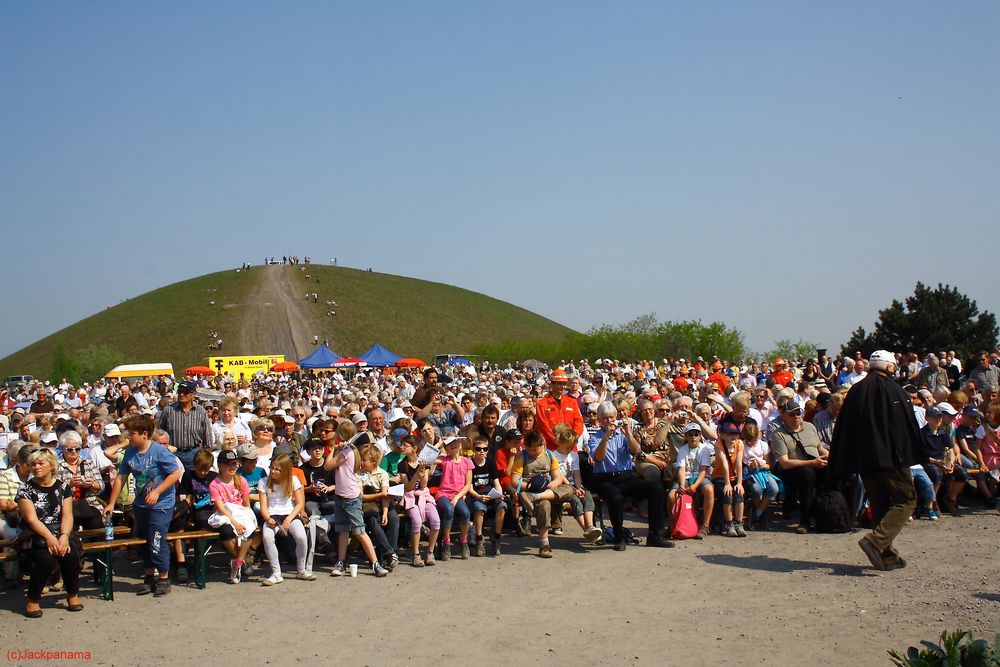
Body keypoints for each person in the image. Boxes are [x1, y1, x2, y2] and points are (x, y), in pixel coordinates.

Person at [829, 350, 926, 571]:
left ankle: (886, 555)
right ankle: (876, 540)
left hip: (865, 458)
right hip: (891, 458)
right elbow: (902, 428)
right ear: (890, 367)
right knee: (906, 499)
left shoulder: (855, 390)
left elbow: (845, 428)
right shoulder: (893, 390)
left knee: (880, 503)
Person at [103, 414, 181, 596]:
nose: (130, 437)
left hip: (161, 504)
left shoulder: (160, 452)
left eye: (133, 434)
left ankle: (163, 577)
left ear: (144, 434)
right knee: (145, 540)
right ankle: (148, 576)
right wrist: (111, 502)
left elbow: (174, 474)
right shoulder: (130, 453)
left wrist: (157, 491)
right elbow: (121, 477)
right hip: (141, 504)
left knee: (156, 539)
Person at [585, 401, 674, 550]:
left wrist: (627, 433)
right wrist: (606, 436)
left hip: (626, 475)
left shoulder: (623, 433)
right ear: (600, 420)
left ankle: (656, 535)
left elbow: (635, 451)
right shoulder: (595, 438)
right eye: (605, 418)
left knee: (656, 489)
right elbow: (599, 458)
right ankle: (619, 537)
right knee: (615, 498)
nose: (609, 421)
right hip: (605, 477)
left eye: (612, 417)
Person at [16, 448, 83, 617]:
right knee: (45, 560)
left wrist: (64, 536)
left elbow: (67, 516)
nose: (36, 467)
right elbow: (32, 520)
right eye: (33, 464)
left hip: (60, 530)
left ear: (51, 465)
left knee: (70, 556)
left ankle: (73, 594)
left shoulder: (63, 487)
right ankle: (33, 600)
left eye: (40, 463)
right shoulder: (25, 489)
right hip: (34, 533)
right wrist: (49, 538)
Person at [324, 421, 389, 577]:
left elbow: (327, 466)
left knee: (359, 531)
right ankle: (341, 562)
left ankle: (375, 564)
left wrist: (332, 449)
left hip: (351, 498)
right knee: (343, 530)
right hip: (341, 496)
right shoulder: (350, 449)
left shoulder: (346, 452)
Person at [509, 430, 572, 558]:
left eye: (534, 450)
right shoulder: (522, 456)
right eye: (529, 449)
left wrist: (554, 483)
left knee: (570, 490)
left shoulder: (549, 455)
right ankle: (544, 545)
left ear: (542, 445)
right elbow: (515, 481)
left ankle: (537, 497)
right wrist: (528, 486)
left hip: (548, 489)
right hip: (530, 488)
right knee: (544, 505)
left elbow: (558, 477)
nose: (531, 452)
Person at [769, 399, 827, 534]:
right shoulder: (778, 434)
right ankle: (805, 520)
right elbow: (784, 462)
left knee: (838, 471)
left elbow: (819, 448)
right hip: (793, 469)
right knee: (807, 474)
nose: (796, 417)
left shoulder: (810, 426)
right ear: (784, 416)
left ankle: (834, 514)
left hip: (815, 462)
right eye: (792, 414)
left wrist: (831, 458)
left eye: (798, 413)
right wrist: (812, 463)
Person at [259, 453, 315, 585]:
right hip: (272, 514)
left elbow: (300, 503)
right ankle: (276, 573)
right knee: (267, 537)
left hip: (289, 513)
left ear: (284, 471)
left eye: (277, 469)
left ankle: (301, 570)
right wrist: (268, 519)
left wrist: (288, 520)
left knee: (301, 537)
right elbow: (263, 507)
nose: (273, 471)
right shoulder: (263, 482)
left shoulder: (294, 480)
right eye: (272, 467)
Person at [210, 450, 258, 584]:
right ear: (220, 466)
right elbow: (220, 507)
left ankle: (237, 563)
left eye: (234, 464)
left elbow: (246, 502)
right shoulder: (215, 484)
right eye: (228, 464)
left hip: (240, 511)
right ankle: (241, 560)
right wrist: (235, 522)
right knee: (226, 531)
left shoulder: (241, 480)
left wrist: (247, 516)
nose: (232, 467)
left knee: (250, 528)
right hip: (225, 513)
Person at [551, 424, 602, 543]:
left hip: (574, 484)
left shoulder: (573, 456)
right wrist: (573, 489)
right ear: (561, 443)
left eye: (571, 447)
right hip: (562, 485)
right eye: (568, 447)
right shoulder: (553, 456)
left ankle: (590, 526)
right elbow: (559, 475)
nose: (570, 450)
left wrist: (579, 487)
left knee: (587, 496)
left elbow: (576, 473)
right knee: (575, 500)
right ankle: (587, 530)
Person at [399, 434, 441, 567]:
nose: (402, 447)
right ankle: (416, 554)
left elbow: (423, 485)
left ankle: (430, 552)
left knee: (436, 521)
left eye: (405, 445)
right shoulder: (403, 465)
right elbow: (408, 487)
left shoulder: (424, 461)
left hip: (423, 495)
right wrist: (417, 473)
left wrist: (423, 472)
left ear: (414, 448)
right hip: (410, 497)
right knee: (416, 521)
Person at [670, 422, 715, 539]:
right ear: (686, 436)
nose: (693, 437)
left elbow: (703, 470)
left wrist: (695, 486)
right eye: (690, 434)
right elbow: (681, 469)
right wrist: (681, 484)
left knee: (709, 490)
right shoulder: (683, 449)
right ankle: (673, 525)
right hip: (686, 477)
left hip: (700, 477)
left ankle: (705, 526)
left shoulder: (704, 449)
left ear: (700, 436)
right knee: (671, 495)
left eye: (696, 434)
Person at [433, 436, 474, 560]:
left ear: (460, 444)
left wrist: (457, 497)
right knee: (449, 510)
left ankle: (463, 540)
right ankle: (446, 542)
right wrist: (439, 443)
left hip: (458, 495)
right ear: (446, 448)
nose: (453, 445)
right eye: (450, 444)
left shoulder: (467, 461)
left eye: (456, 442)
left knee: (465, 512)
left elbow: (468, 485)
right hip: (443, 494)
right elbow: (426, 458)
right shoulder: (444, 460)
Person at [466, 435, 507, 556]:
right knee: (479, 509)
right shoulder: (470, 464)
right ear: (473, 449)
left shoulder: (490, 462)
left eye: (485, 449)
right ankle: (479, 539)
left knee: (502, 506)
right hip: (476, 495)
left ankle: (496, 538)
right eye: (478, 449)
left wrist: (499, 494)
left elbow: (496, 482)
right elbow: (469, 487)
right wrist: (478, 497)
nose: (482, 451)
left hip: (490, 493)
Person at [158, 381, 213, 470]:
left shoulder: (200, 411)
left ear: (192, 394)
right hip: (173, 453)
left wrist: (206, 453)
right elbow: (160, 430)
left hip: (194, 453)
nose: (181, 394)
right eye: (179, 391)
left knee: (192, 482)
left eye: (185, 392)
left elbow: (207, 434)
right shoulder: (169, 410)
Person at [535, 369, 585, 451]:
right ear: (552, 384)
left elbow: (579, 421)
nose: (563, 387)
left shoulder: (572, 402)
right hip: (552, 448)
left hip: (571, 447)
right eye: (560, 384)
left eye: (564, 384)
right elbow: (543, 426)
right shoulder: (542, 404)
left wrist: (573, 437)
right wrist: (556, 440)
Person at [712, 422, 747, 537]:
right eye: (730, 434)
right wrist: (727, 483)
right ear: (722, 434)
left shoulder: (739, 443)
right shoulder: (719, 445)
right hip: (720, 476)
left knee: (739, 493)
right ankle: (729, 523)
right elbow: (724, 464)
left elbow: (739, 463)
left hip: (735, 476)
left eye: (735, 434)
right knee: (728, 494)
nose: (733, 437)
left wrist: (739, 483)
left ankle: (739, 523)